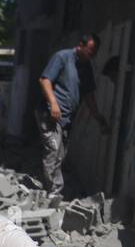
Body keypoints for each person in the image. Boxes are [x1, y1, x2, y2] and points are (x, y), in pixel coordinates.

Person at [37, 32, 111, 197]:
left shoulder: (86, 67)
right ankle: (53, 192)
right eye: (90, 50)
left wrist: (97, 117)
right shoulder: (62, 57)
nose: (92, 54)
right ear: (81, 45)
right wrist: (54, 103)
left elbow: (89, 95)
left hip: (67, 118)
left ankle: (51, 188)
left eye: (95, 52)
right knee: (53, 149)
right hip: (49, 113)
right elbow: (45, 80)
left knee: (61, 154)